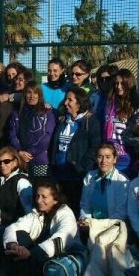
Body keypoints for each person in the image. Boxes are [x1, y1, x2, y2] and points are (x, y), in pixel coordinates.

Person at [0, 182, 78, 276]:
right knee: (19, 235)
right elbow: (13, 228)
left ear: (55, 200)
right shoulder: (37, 213)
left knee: (34, 253)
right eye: (37, 196)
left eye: (44, 197)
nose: (39, 200)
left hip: (61, 255)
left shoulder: (66, 214)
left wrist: (30, 253)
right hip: (37, 254)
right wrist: (14, 245)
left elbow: (61, 239)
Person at [50, 86, 101, 216]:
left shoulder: (90, 122)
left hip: (77, 176)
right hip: (59, 175)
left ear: (79, 103)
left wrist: (82, 166)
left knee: (75, 211)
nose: (66, 103)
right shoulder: (62, 120)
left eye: (70, 100)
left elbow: (95, 147)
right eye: (66, 100)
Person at [0, 147, 33, 259]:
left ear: (15, 162)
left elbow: (29, 212)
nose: (2, 165)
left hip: (17, 224)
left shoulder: (22, 182)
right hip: (2, 221)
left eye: (6, 161)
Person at [8, 81, 56, 183]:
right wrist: (19, 151)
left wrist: (30, 153)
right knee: (23, 190)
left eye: (35, 93)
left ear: (40, 95)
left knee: (40, 189)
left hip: (40, 160)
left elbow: (47, 136)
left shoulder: (47, 112)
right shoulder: (16, 114)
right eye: (29, 92)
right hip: (20, 160)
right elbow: (12, 134)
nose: (32, 96)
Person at [102, 69, 139, 176]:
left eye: (122, 83)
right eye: (116, 83)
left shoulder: (136, 106)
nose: (118, 86)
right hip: (108, 156)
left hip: (127, 158)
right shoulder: (109, 104)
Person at [78, 143, 129, 222]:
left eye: (108, 157)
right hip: (91, 225)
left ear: (115, 159)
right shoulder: (89, 176)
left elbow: (121, 213)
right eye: (100, 157)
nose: (103, 161)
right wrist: (86, 221)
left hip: (112, 226)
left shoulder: (122, 180)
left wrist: (97, 225)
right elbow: (85, 205)